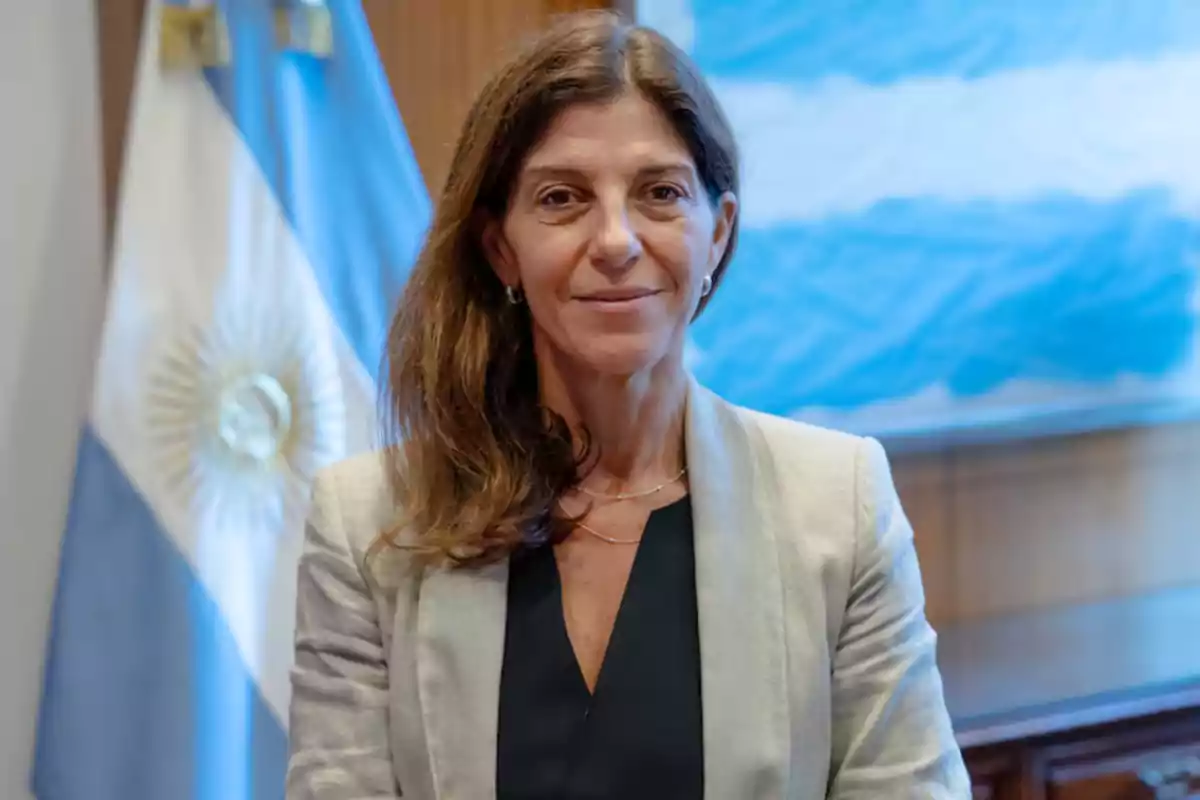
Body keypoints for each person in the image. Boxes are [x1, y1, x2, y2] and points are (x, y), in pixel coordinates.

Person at [286, 10, 970, 800]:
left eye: (660, 193)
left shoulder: (838, 505)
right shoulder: (367, 524)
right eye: (562, 198)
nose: (615, 240)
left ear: (718, 235)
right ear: (499, 246)